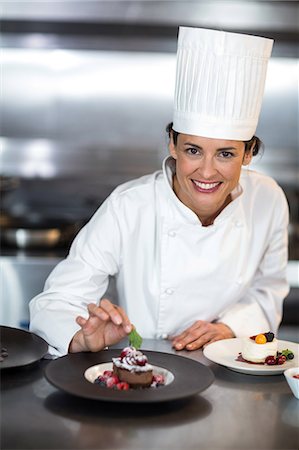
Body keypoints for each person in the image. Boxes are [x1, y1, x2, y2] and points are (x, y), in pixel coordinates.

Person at [29, 27, 289, 357]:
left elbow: (269, 288)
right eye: (193, 150)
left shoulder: (268, 200)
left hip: (229, 363)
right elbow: (57, 302)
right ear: (173, 145)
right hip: (144, 370)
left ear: (248, 154)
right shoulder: (130, 205)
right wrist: (79, 338)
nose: (206, 172)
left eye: (225, 154)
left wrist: (230, 327)